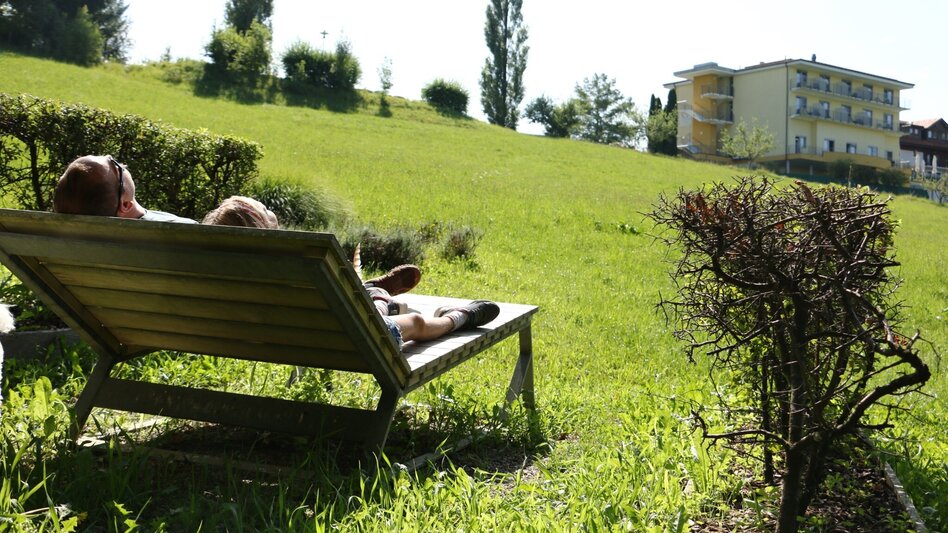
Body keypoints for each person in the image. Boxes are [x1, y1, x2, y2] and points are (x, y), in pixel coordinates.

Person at [202, 194, 500, 345]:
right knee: (417, 322)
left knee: (366, 302)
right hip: (343, 339)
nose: (273, 211)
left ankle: (376, 292)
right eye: (267, 212)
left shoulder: (215, 271)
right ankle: (459, 317)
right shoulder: (295, 266)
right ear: (265, 231)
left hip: (266, 340)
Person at [53, 155, 197, 223]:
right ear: (125, 205)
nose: (111, 156)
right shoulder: (186, 231)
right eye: (115, 165)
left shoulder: (76, 245)